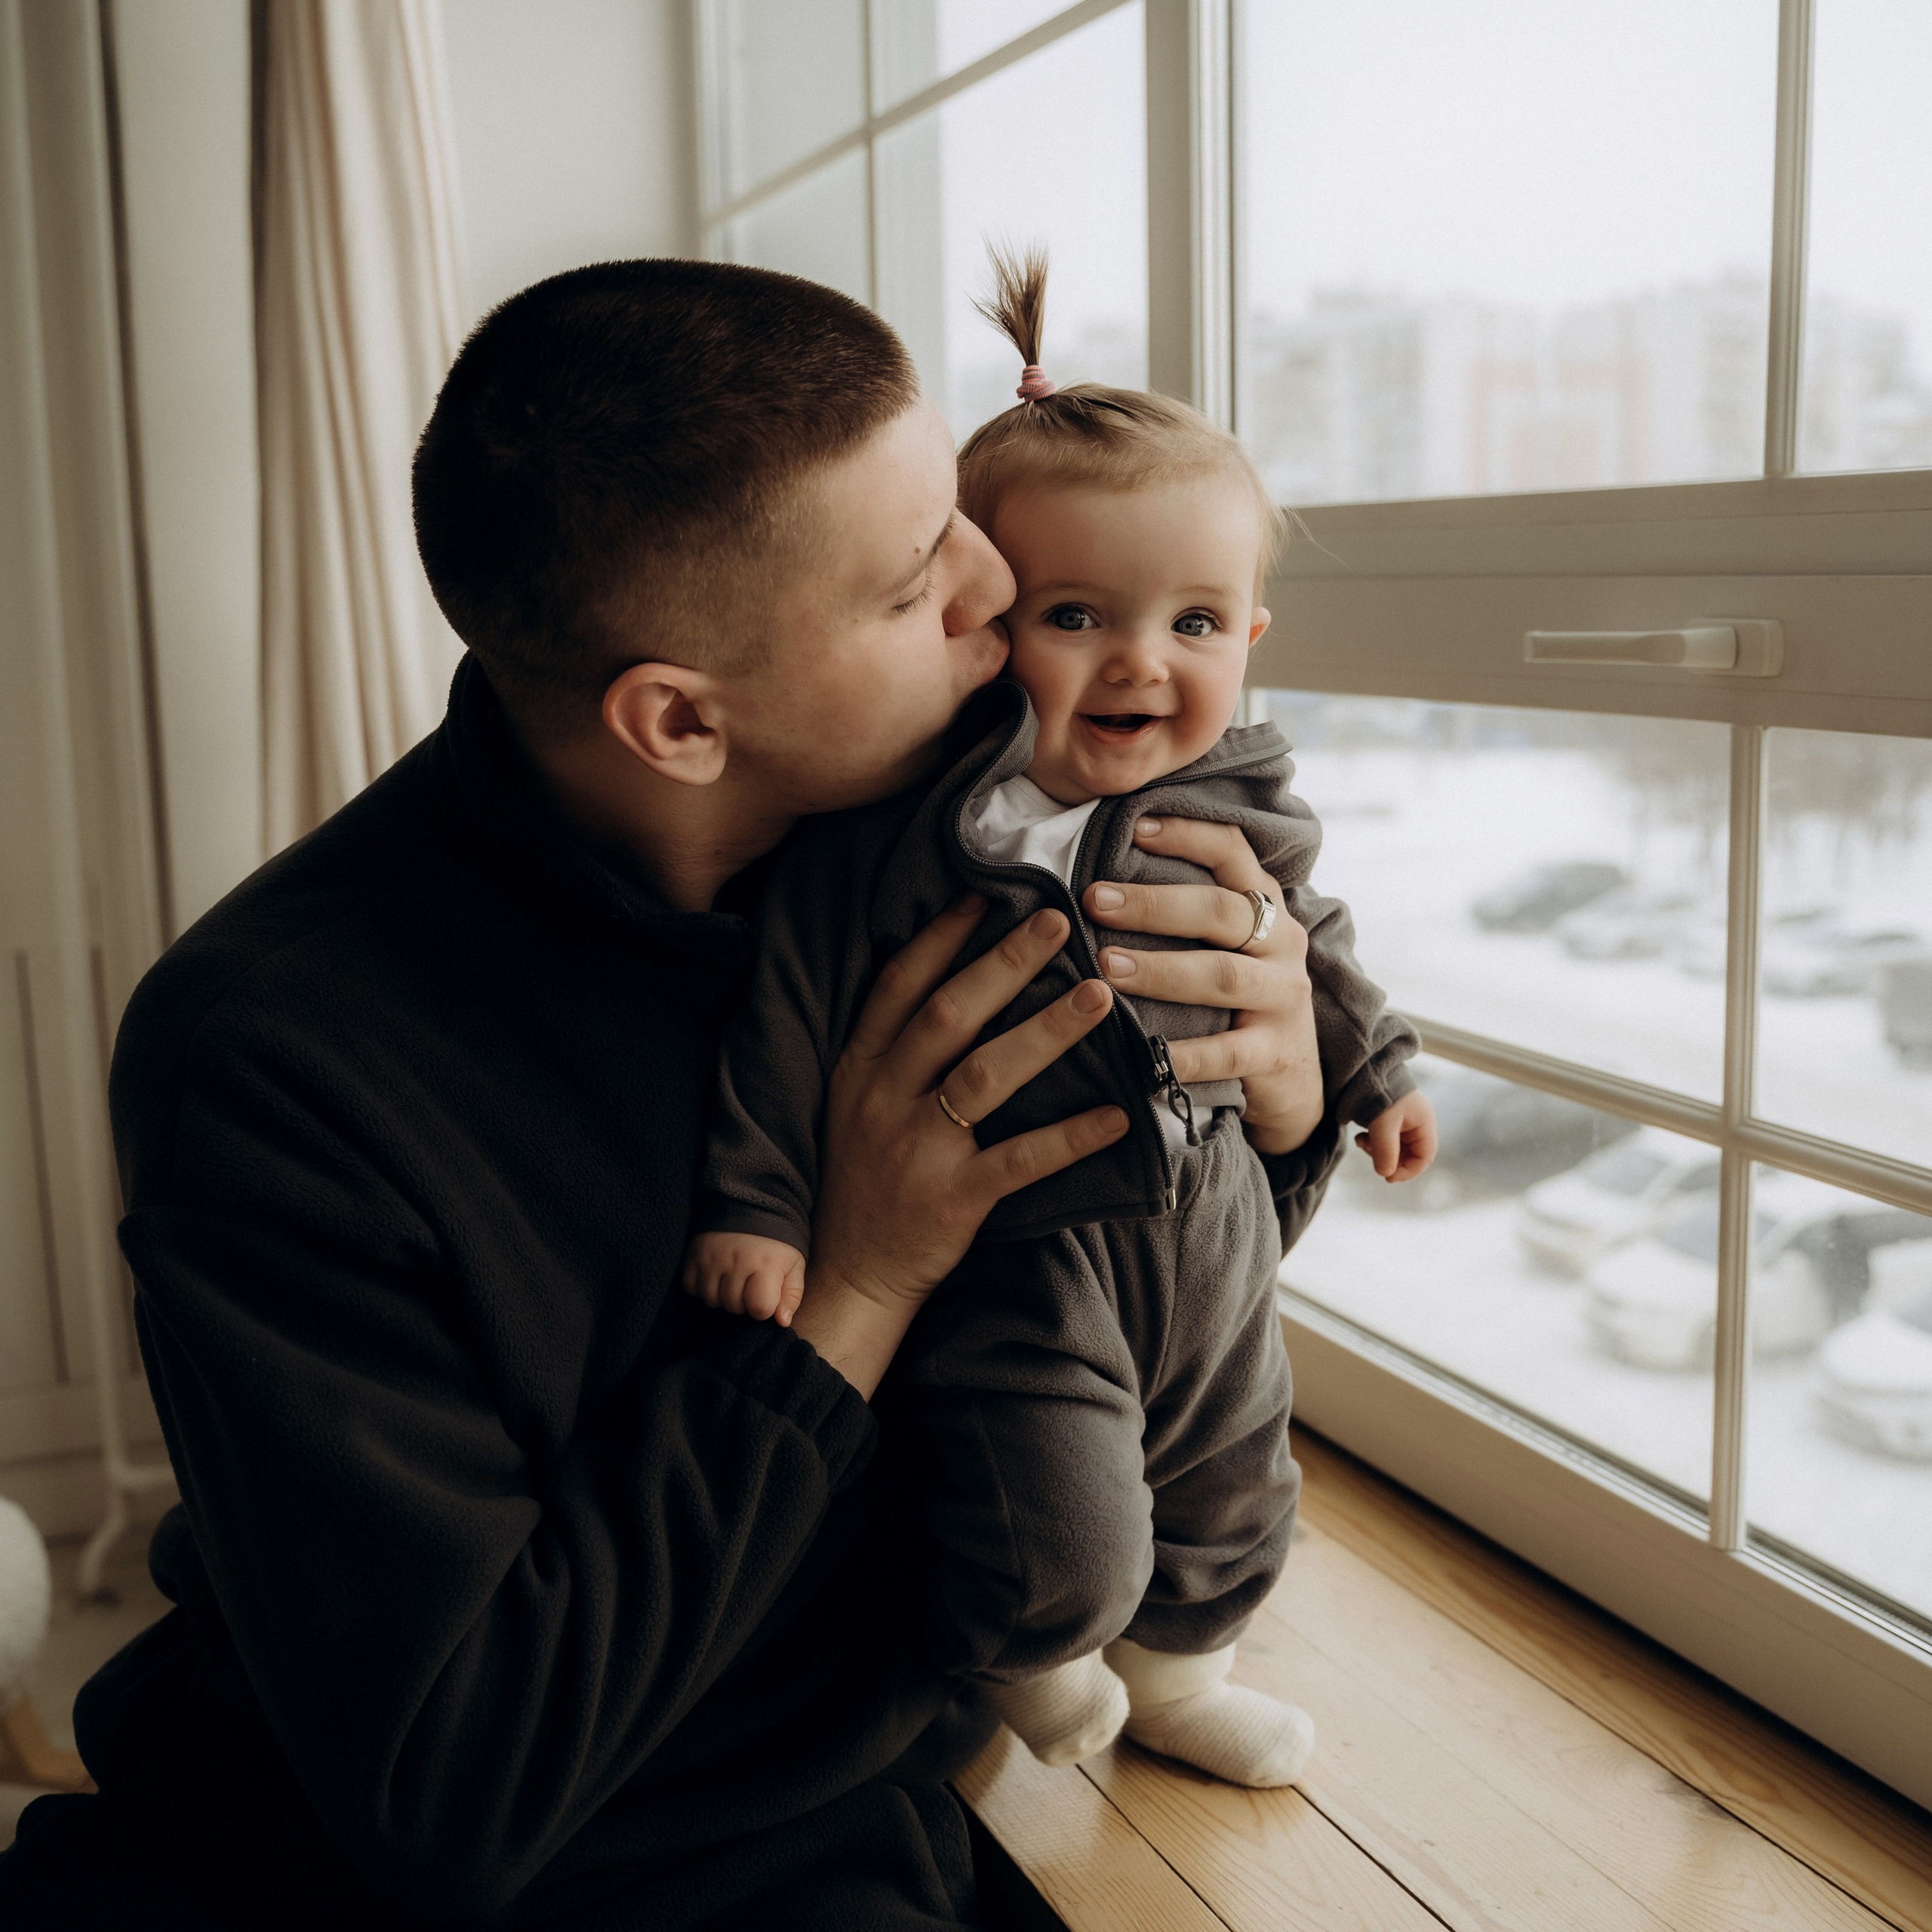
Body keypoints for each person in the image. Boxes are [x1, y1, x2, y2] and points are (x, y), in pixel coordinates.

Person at [0, 260, 1337, 1930]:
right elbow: (450, 1784)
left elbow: (1128, 1287)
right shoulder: (277, 1059)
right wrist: (847, 1292)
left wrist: (1273, 1099)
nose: (1001, 581)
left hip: (901, 1765)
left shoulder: (954, 827)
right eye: (919, 571)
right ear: (680, 720)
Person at [685, 249, 1436, 1792]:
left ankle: (1184, 1673)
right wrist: (759, 1202)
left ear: (1249, 638)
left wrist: (1370, 1071)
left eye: (1195, 623)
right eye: (1076, 613)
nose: (1139, 662)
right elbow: (788, 1013)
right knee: (1057, 1508)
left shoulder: (1237, 802)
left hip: (1213, 1234)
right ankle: (1027, 1648)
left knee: (1239, 1485)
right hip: (1020, 1249)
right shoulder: (908, 824)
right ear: (980, 623)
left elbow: (1314, 947)